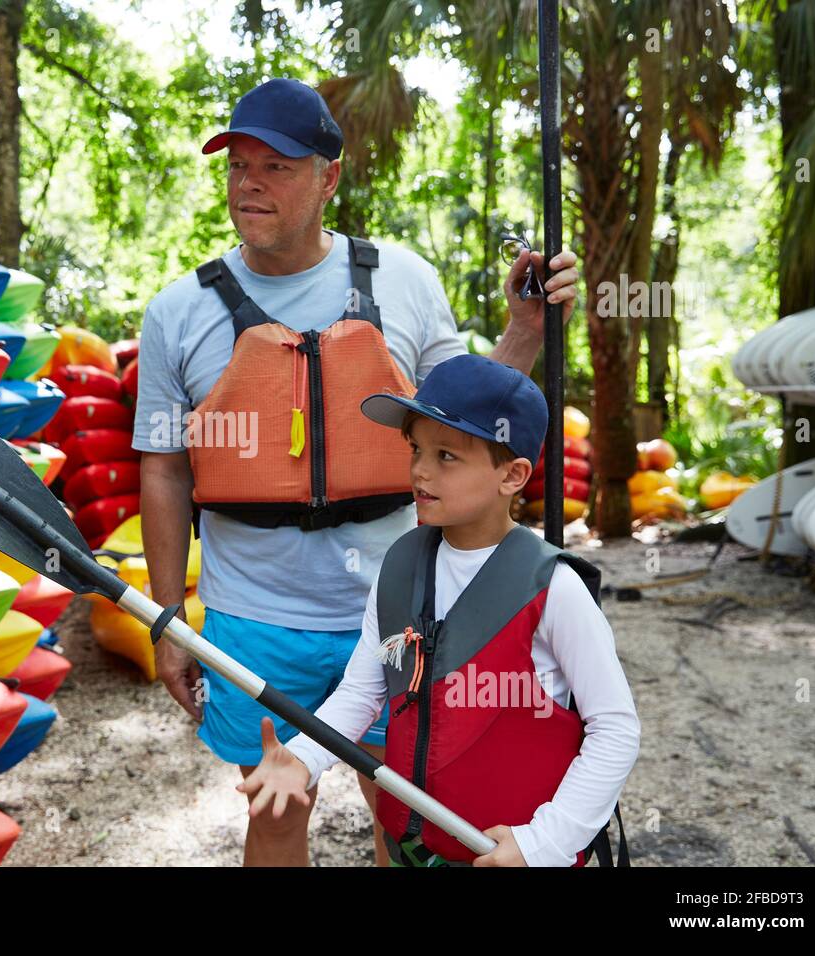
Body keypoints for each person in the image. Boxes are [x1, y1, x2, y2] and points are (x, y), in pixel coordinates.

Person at [132, 77, 582, 866]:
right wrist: (167, 619)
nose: (250, 184)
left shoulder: (403, 280)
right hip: (251, 619)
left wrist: (526, 331)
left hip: (399, 615)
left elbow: (470, 418)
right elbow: (165, 473)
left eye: (277, 165)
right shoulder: (178, 311)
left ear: (329, 177)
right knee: (275, 811)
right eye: (239, 165)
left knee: (403, 820)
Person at [237, 353, 641, 867]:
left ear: (512, 475)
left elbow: (615, 729)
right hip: (417, 851)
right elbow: (363, 690)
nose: (420, 470)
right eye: (416, 449)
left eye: (446, 456)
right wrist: (304, 757)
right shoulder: (399, 567)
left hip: (515, 854)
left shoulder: (554, 588)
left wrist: (546, 842)